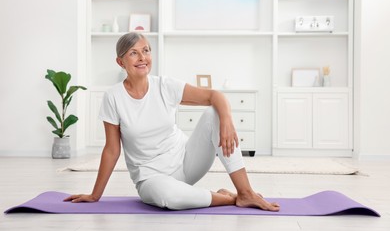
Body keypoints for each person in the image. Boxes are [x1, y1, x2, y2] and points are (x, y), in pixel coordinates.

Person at [64, 32, 280, 211]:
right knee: (169, 198)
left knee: (215, 113)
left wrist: (227, 120)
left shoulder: (164, 86)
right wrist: (95, 195)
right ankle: (230, 198)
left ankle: (245, 191)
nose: (142, 57)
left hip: (187, 162)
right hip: (151, 179)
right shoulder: (113, 97)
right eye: (133, 53)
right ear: (120, 62)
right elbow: (112, 150)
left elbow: (215, 96)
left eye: (146, 50)